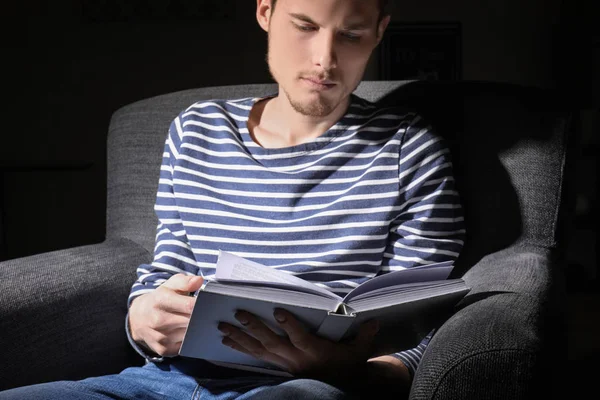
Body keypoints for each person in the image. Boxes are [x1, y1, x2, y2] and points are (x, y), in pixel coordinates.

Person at [0, 0, 464, 399]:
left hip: (308, 388)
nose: (325, 59)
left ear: (379, 32)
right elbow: (167, 269)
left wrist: (361, 373)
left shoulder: (408, 146)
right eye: (304, 26)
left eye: (352, 34)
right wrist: (143, 319)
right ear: (265, 11)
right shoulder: (197, 129)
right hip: (168, 382)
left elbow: (421, 319)